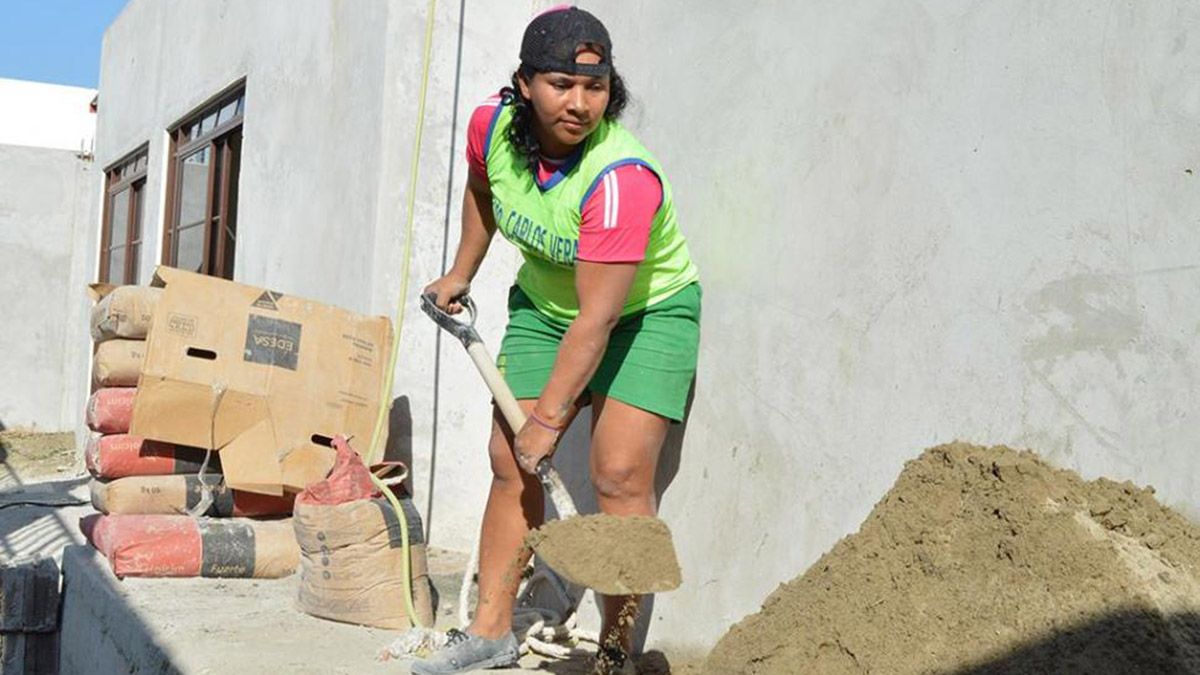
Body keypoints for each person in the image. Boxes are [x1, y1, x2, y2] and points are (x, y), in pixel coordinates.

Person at [413, 6, 701, 674]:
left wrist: (548, 419)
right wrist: (461, 271)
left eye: (594, 88)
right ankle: (491, 631)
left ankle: (615, 650)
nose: (578, 103)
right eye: (560, 84)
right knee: (510, 458)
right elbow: (483, 190)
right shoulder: (491, 125)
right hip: (547, 304)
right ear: (524, 84)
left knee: (620, 473)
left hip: (644, 313)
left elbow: (598, 320)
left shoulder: (621, 178)